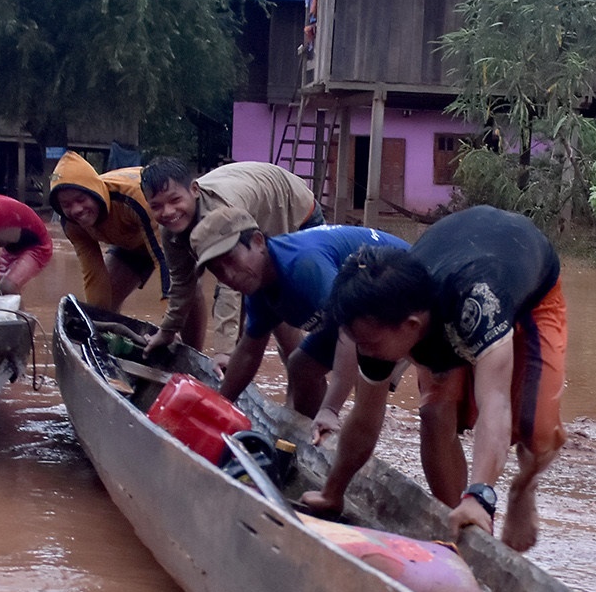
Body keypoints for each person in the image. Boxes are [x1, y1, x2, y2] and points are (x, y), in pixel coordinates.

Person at [305, 205, 569, 552]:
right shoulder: (379, 326)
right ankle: (458, 526)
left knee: (536, 430)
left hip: (530, 286)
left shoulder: (477, 306)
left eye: (369, 343)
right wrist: (332, 492)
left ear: (411, 327)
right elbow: (365, 417)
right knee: (434, 415)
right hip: (452, 261)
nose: (363, 351)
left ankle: (522, 489)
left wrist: (481, 494)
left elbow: (495, 403)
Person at [188, 206, 406, 426]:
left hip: (401, 293)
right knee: (301, 367)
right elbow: (249, 352)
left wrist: (331, 409)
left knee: (366, 381)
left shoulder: (302, 266)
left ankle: (348, 433)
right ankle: (314, 435)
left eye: (230, 260)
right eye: (217, 270)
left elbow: (350, 329)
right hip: (355, 312)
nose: (228, 275)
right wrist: (218, 406)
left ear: (257, 242)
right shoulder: (258, 285)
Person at [140, 157, 320, 353]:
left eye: (175, 200)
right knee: (252, 310)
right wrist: (167, 331)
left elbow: (230, 283)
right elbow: (182, 282)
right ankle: (235, 371)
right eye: (156, 206)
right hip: (253, 202)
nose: (168, 211)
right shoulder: (170, 228)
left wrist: (223, 350)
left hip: (296, 210)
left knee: (275, 301)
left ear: (194, 190)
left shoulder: (221, 212)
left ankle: (299, 372)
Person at [47, 150, 166, 313]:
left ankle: (190, 339)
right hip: (131, 244)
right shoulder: (72, 225)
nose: (76, 210)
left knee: (188, 290)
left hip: (171, 234)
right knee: (104, 305)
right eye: (66, 205)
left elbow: (167, 261)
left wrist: (170, 323)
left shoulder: (135, 199)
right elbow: (93, 274)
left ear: (95, 193)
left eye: (81, 199)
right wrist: (97, 323)